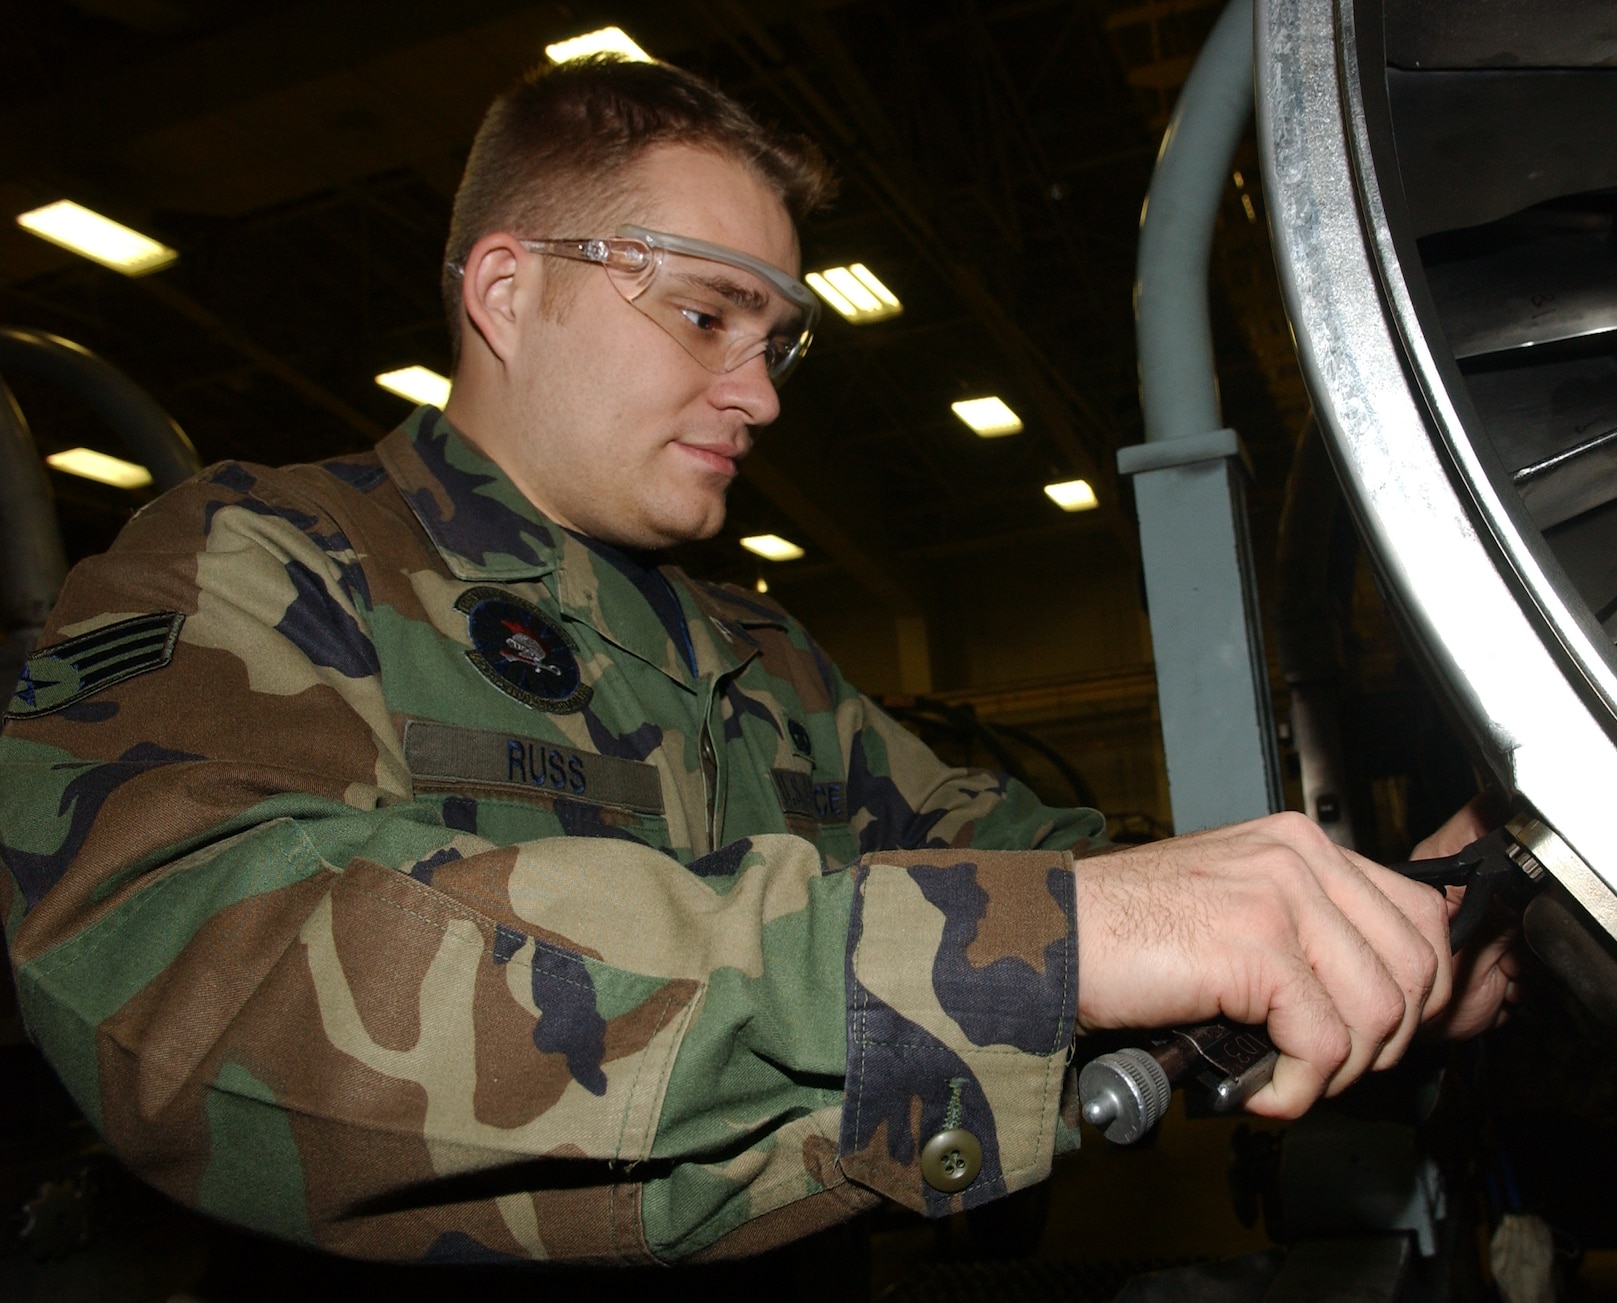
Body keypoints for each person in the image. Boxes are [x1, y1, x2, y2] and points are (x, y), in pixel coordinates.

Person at [0, 55, 1518, 1266]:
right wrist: (1024, 942)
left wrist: (1348, 914)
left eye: (780, 337)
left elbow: (1038, 862)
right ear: (507, 288)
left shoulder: (753, 655)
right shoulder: (270, 563)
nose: (762, 392)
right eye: (707, 312)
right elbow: (174, 967)